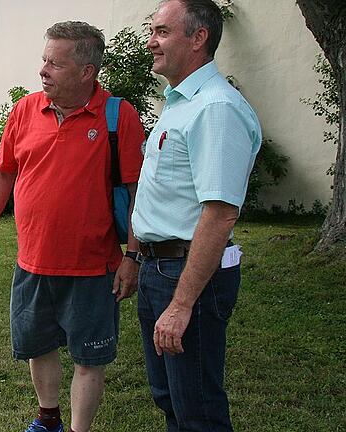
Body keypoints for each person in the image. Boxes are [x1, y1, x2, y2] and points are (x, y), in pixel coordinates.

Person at [0, 21, 145, 432]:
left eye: (55, 63)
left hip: (93, 268)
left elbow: (138, 193)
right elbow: (3, 173)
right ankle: (48, 418)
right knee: (38, 345)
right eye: (43, 60)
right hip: (32, 262)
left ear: (87, 71)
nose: (43, 71)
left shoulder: (118, 116)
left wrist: (133, 257)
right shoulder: (25, 110)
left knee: (90, 358)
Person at [131, 1, 262, 430]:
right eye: (153, 31)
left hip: (186, 274)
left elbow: (220, 213)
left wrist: (181, 304)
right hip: (158, 268)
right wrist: (136, 258)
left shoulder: (216, 108)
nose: (151, 42)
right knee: (171, 399)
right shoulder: (181, 103)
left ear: (198, 37)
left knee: (198, 410)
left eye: (163, 32)